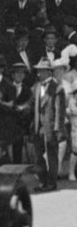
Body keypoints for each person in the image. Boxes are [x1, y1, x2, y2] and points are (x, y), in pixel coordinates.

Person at [30, 58, 67, 192]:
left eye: (41, 71)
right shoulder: (37, 86)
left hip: (51, 128)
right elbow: (32, 104)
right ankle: (43, 181)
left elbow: (59, 111)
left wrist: (57, 129)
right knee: (38, 156)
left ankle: (51, 183)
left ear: (48, 72)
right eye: (38, 71)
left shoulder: (56, 87)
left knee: (52, 156)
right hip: (38, 127)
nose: (38, 74)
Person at [9, 63, 33, 164]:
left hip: (21, 124)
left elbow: (30, 107)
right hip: (8, 123)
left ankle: (17, 170)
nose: (20, 76)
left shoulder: (27, 90)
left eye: (22, 73)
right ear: (12, 75)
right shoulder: (6, 87)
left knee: (18, 148)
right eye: (17, 73)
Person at [65, 80, 77, 180]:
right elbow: (70, 111)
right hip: (75, 130)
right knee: (75, 151)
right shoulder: (72, 101)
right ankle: (71, 173)